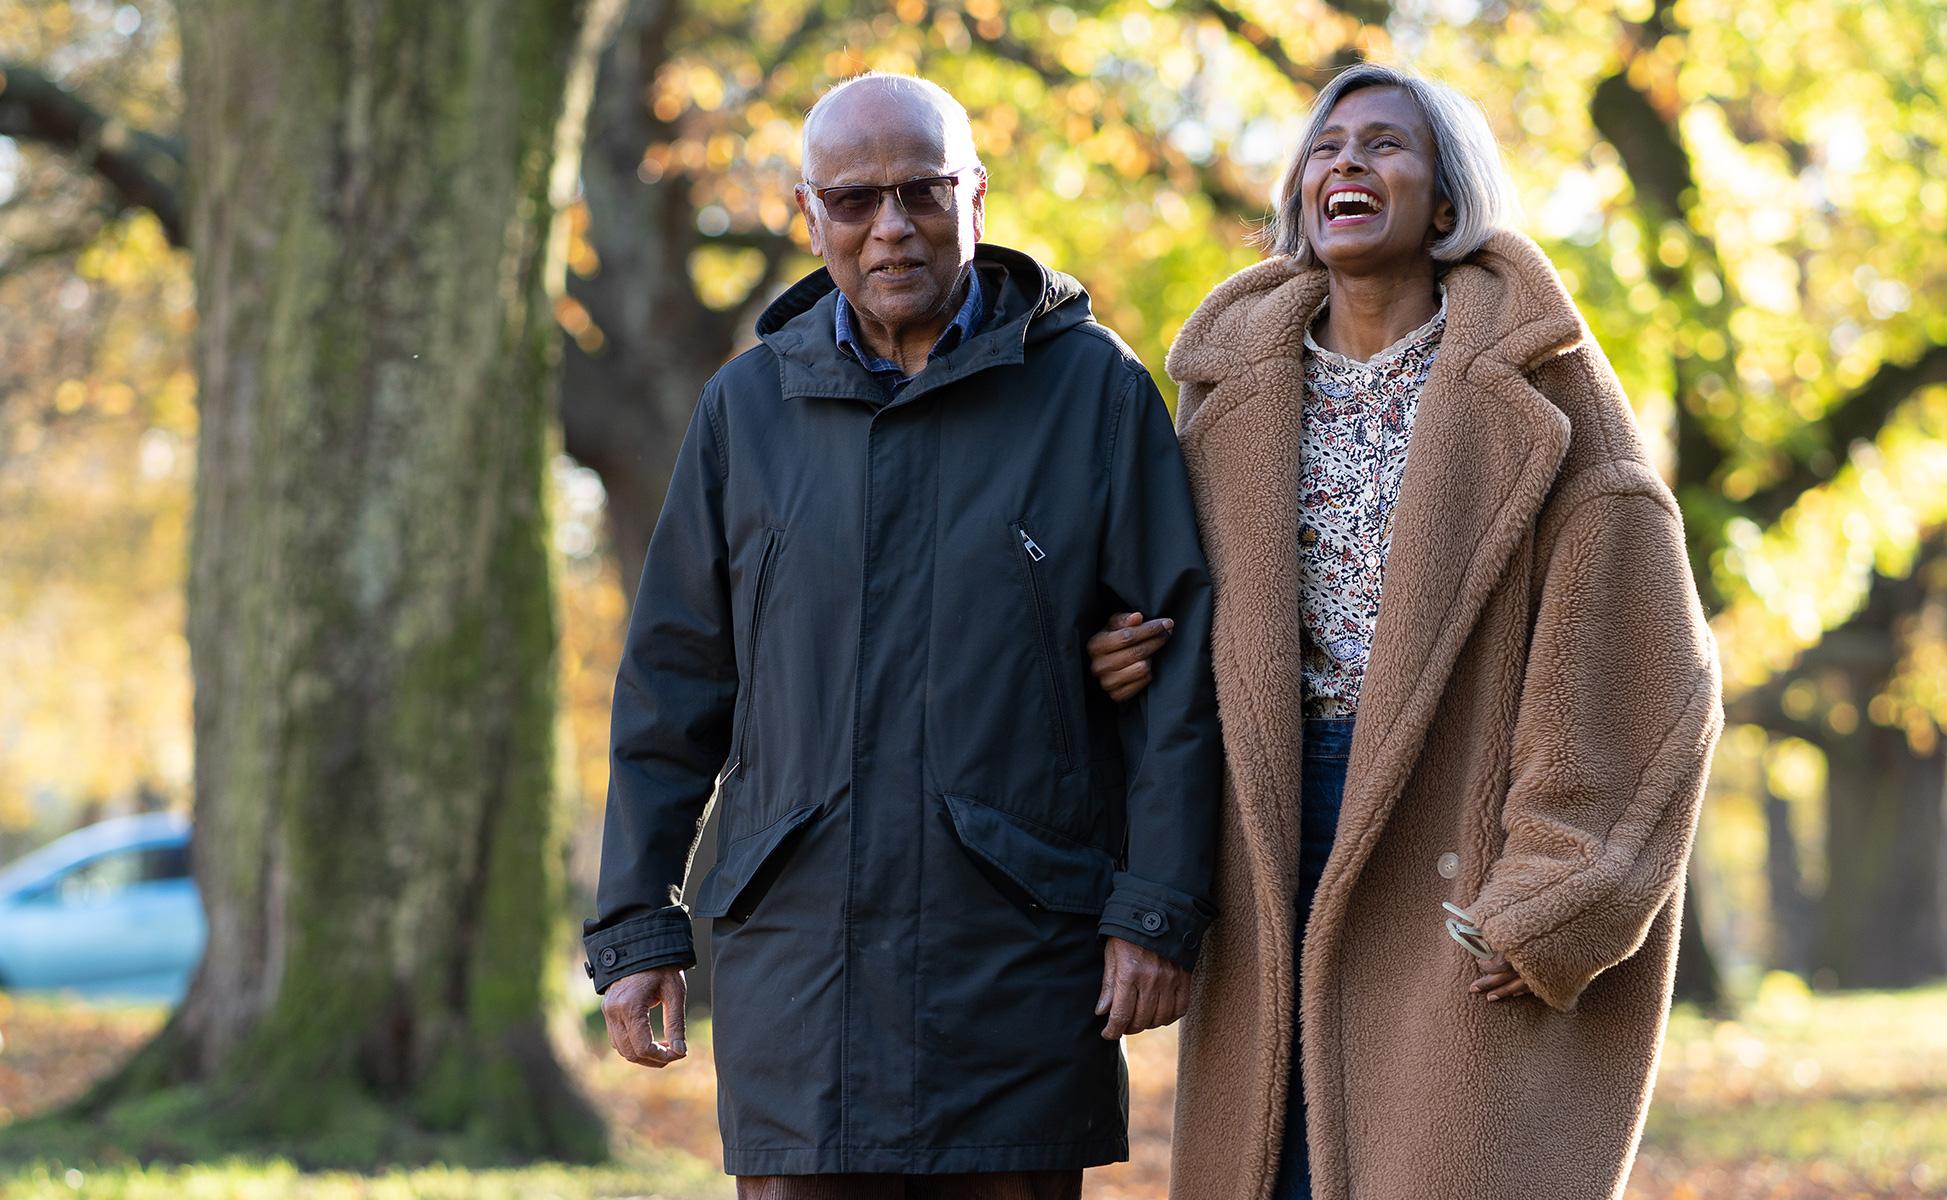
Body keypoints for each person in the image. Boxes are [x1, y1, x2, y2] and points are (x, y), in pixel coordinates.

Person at [582, 73, 1221, 1199]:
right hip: (799, 967)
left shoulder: (1096, 392)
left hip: (1015, 964)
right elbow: (674, 686)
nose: (891, 228)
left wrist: (1156, 914)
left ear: (976, 193)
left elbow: (1180, 677)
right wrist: (637, 926)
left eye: (922, 192)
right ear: (806, 211)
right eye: (853, 200)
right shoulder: (744, 410)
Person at [1088, 63, 1721, 1200]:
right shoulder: (1224, 388)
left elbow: (1643, 657)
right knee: (1271, 1164)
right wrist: (1121, 657)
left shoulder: (1547, 389)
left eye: (1385, 146)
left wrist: (1559, 888)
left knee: (1432, 1162)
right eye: (1328, 148)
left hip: (1456, 826)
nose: (1347, 164)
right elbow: (1179, 609)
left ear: (1446, 199)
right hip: (1264, 829)